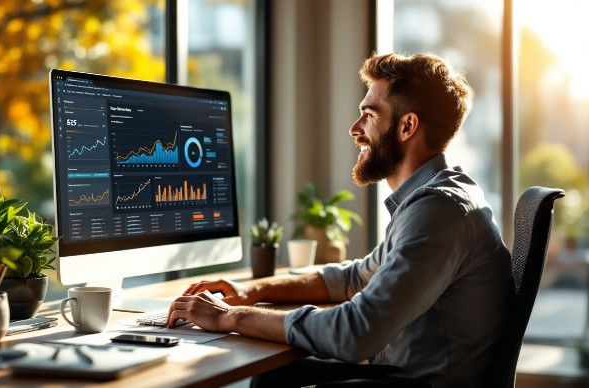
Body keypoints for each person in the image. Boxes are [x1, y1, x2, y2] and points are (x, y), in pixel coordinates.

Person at [166, 52, 513, 387]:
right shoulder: (430, 199)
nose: (354, 128)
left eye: (369, 114)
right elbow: (353, 278)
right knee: (275, 377)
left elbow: (356, 333)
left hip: (417, 383)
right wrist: (252, 291)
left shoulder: (439, 210)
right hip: (402, 376)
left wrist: (228, 317)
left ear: (407, 126)